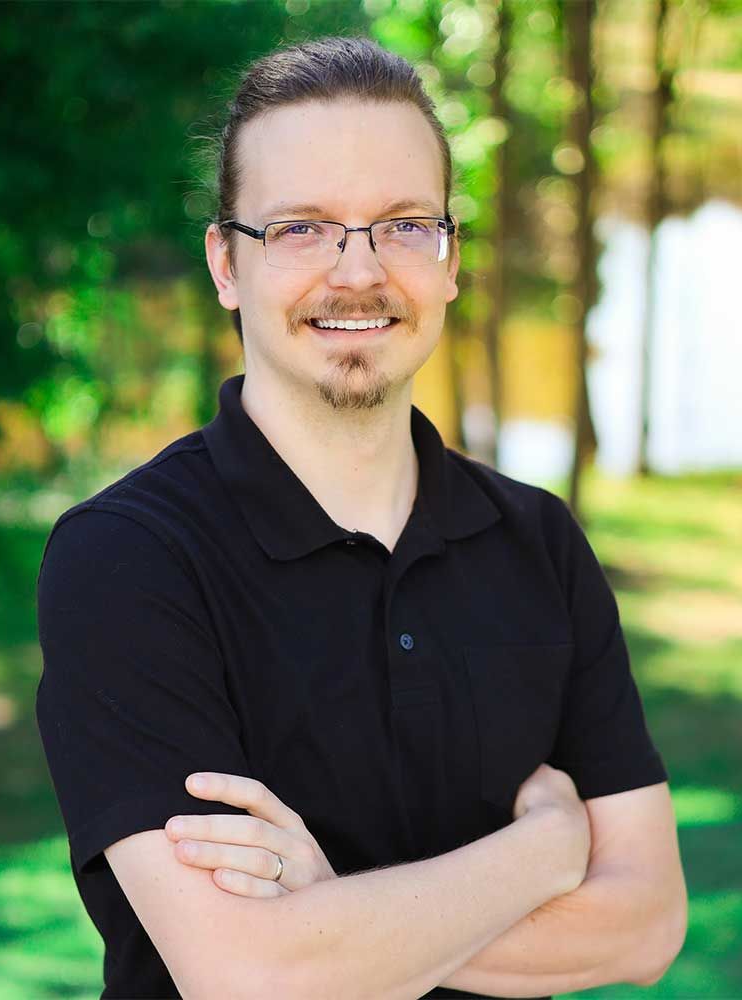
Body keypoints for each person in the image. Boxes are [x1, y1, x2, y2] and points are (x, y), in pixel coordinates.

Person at [35, 34, 687, 1000]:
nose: (358, 272)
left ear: (450, 257)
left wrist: (333, 911)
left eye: (403, 224)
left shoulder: (539, 544)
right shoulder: (128, 558)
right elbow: (248, 973)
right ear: (225, 264)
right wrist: (546, 849)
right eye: (301, 228)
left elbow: (645, 928)